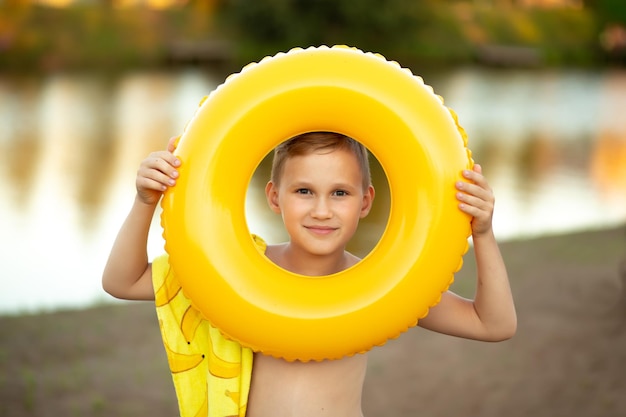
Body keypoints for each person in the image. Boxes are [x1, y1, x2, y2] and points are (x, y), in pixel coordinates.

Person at [102, 131, 516, 417]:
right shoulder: (239, 272)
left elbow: (493, 324)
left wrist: (482, 232)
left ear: (365, 201)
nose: (322, 210)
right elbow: (122, 281)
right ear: (274, 197)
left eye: (340, 192)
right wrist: (145, 201)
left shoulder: (382, 285)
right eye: (304, 191)